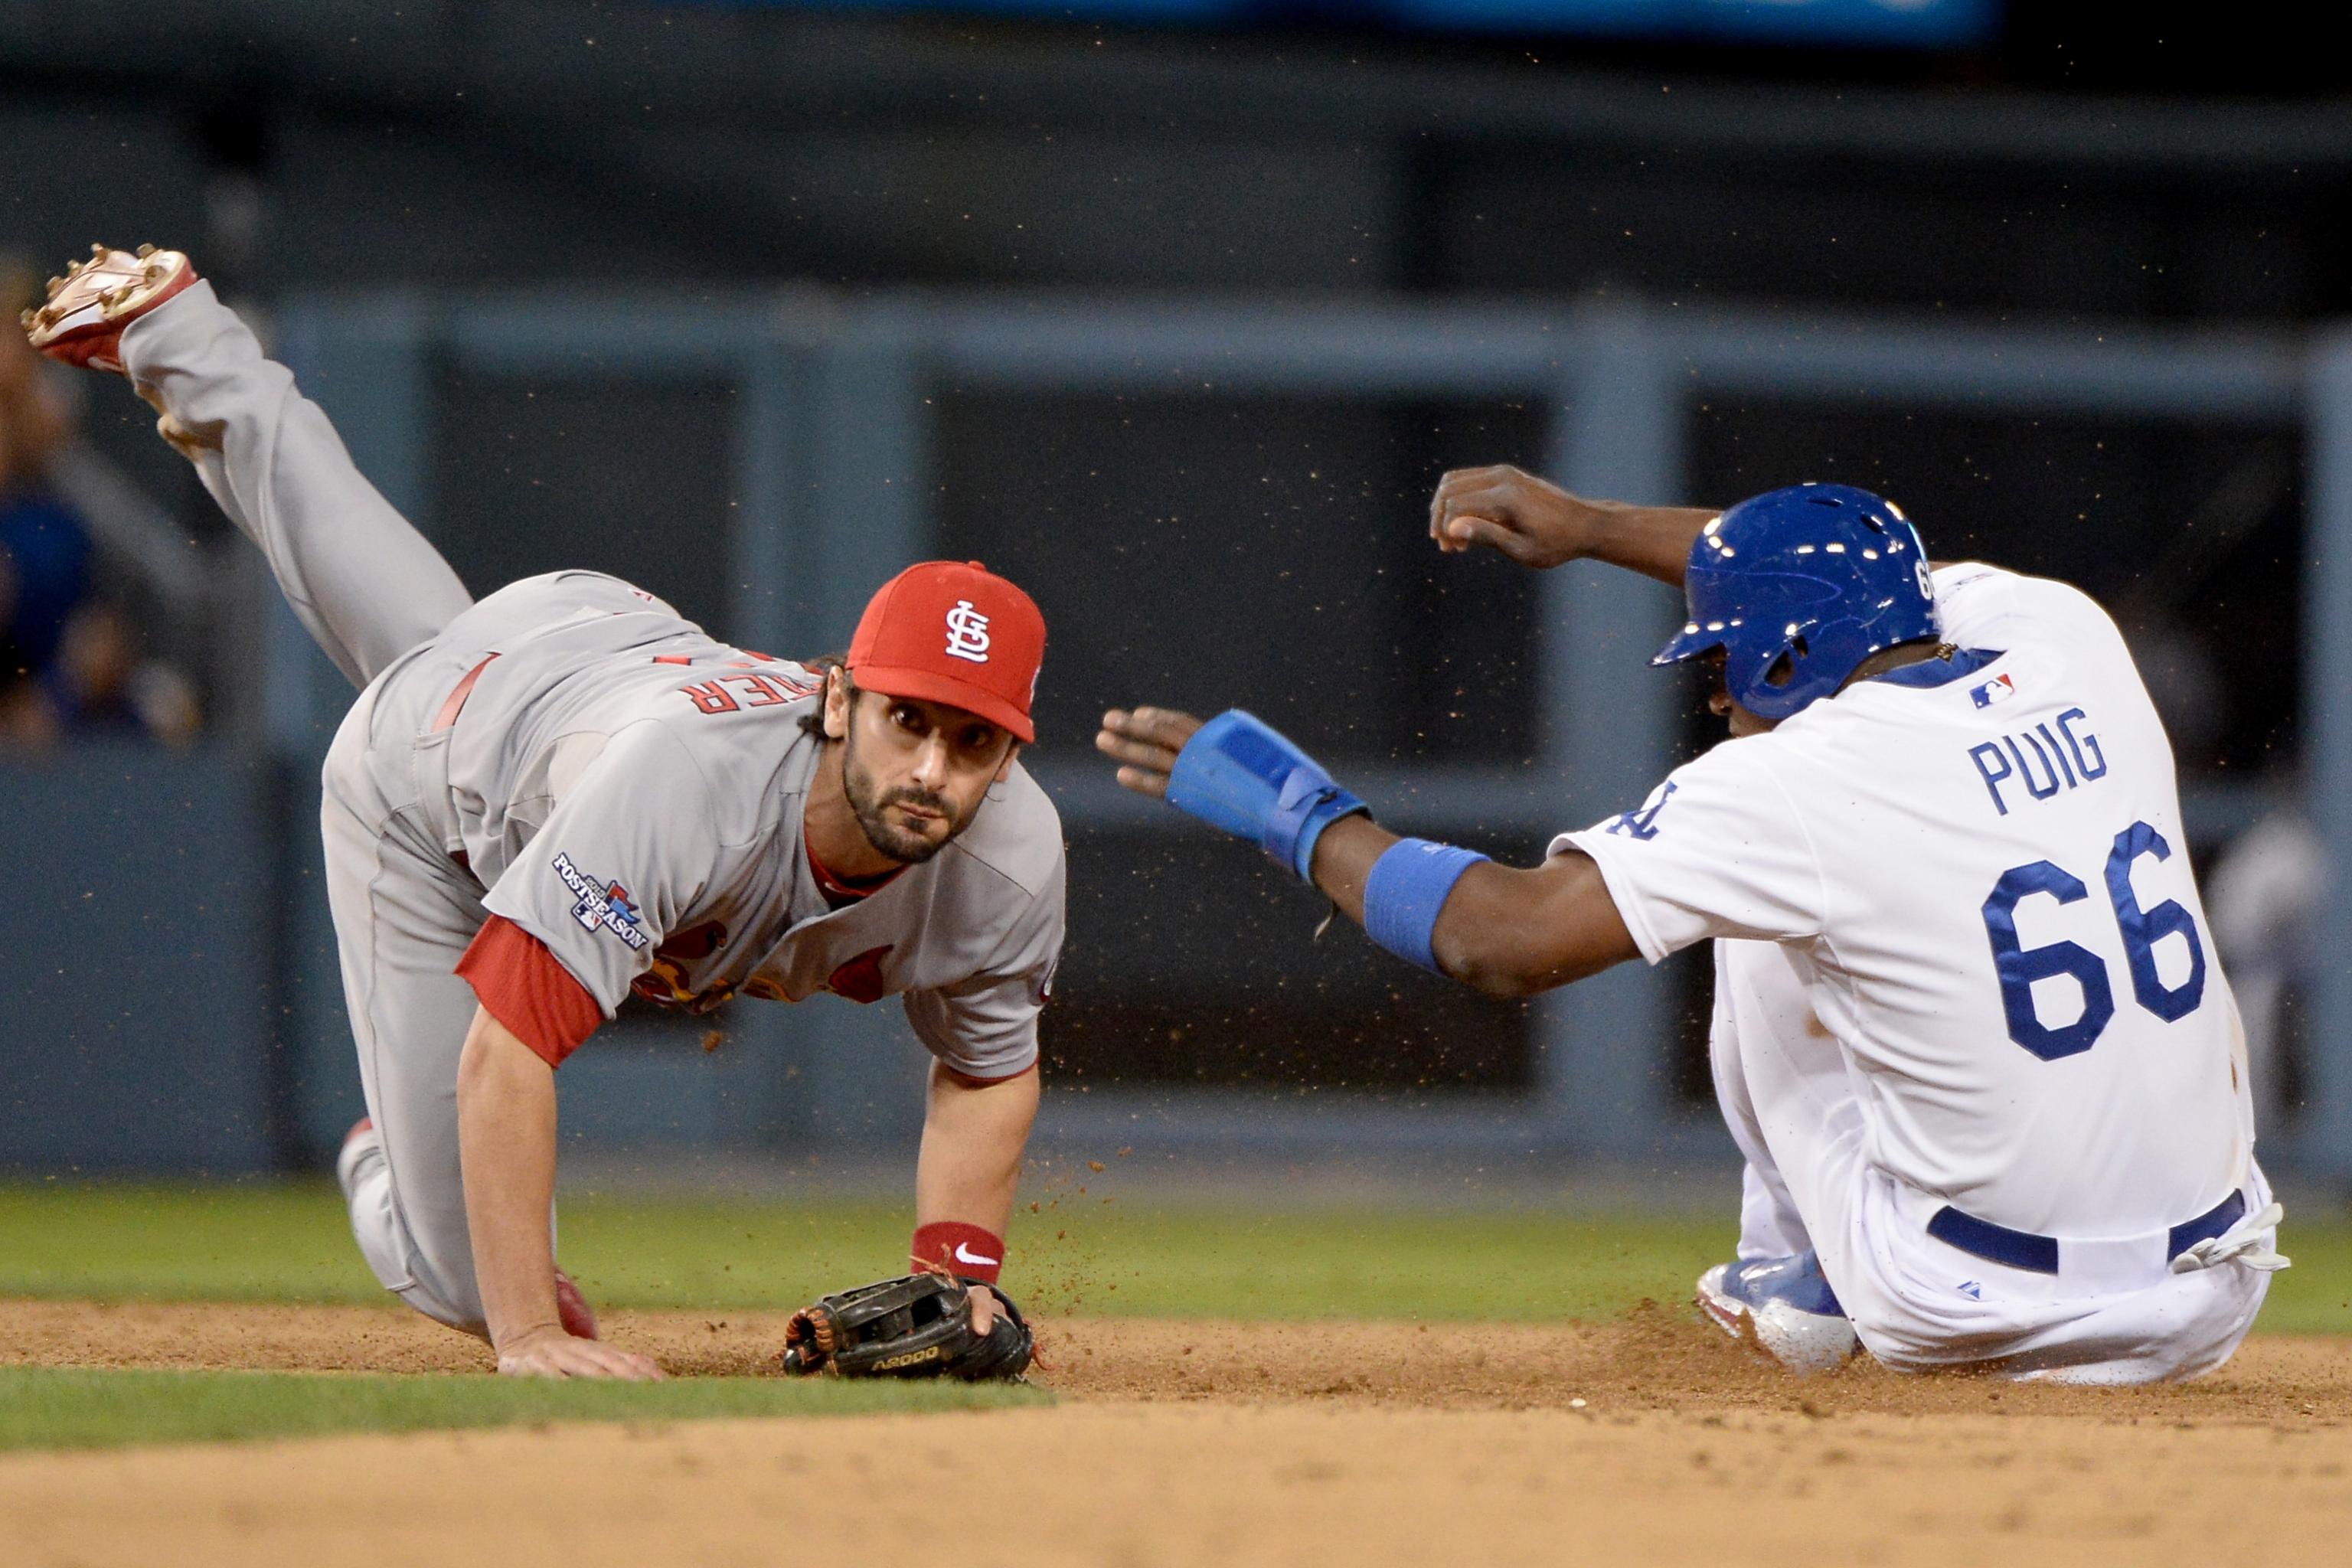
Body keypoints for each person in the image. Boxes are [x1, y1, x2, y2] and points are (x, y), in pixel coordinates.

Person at [28, 247, 1064, 1380]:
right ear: (837, 696)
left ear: (1013, 753)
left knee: (434, 639)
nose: (931, 766)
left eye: (972, 741)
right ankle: (391, 1149)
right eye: (906, 721)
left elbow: (986, 1064)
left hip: (580, 662)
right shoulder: (693, 789)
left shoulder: (1012, 861)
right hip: (433, 788)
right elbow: (513, 1042)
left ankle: (182, 337)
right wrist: (521, 1334)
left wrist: (961, 1270)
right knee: (462, 1274)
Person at [1097, 465, 2285, 1383]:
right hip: (2214, 1291)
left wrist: (1297, 815)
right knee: (1806, 889)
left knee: (1751, 902)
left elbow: (1497, 940)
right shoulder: (2066, 634)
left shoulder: (1793, 785)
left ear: (1790, 647)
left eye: (1723, 654)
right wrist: (1593, 526)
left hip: (1976, 1301)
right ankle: (1838, 1267)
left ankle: (1797, 1286)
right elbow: (1863, 572)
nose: (1716, 688)